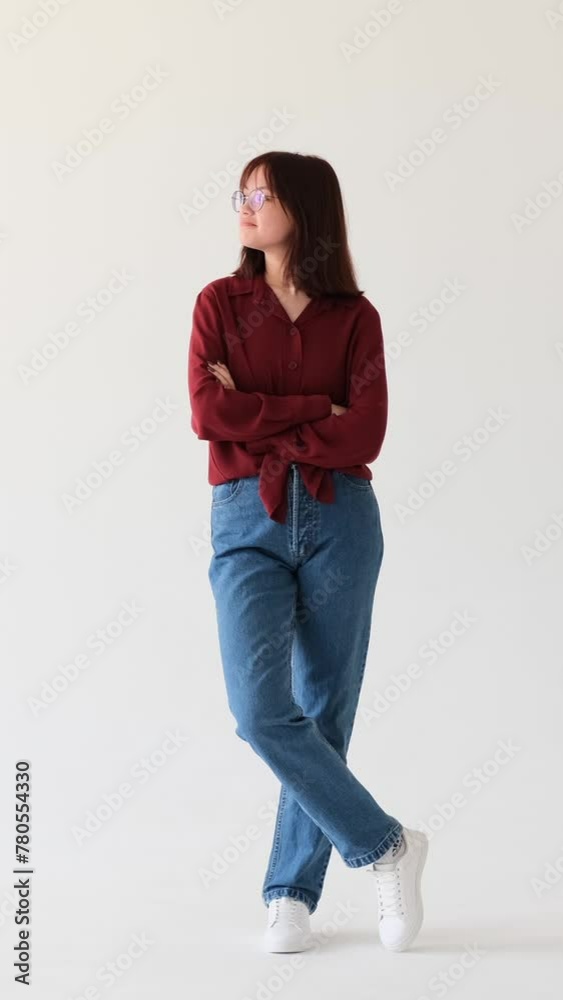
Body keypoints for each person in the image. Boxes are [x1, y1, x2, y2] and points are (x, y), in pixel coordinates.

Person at [187, 151, 428, 954]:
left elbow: (367, 432)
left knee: (324, 711)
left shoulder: (355, 316)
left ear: (305, 205)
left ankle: (290, 893)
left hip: (340, 518)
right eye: (241, 192)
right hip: (245, 520)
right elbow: (208, 414)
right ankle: (386, 844)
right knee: (260, 712)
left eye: (261, 193)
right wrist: (315, 409)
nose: (245, 204)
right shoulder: (219, 302)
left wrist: (261, 411)